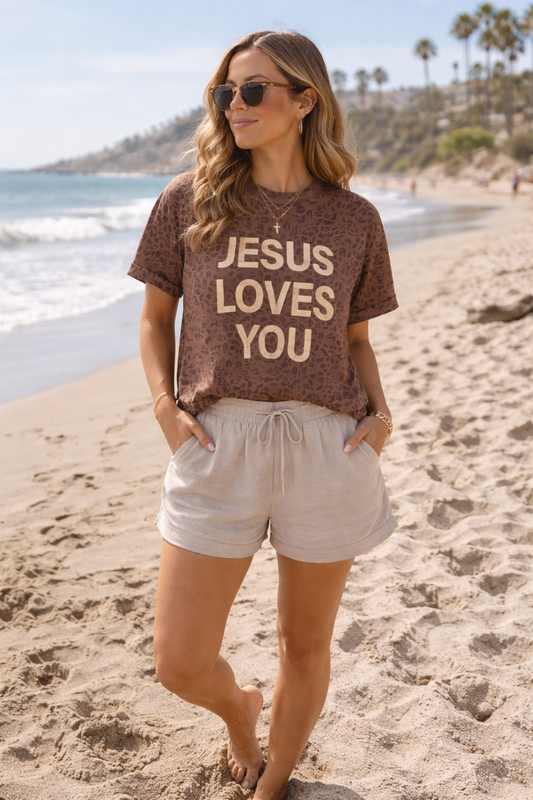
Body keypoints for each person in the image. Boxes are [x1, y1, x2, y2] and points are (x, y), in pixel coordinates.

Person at [128, 30, 398, 800]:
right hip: (219, 440)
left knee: (304, 646)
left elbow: (355, 340)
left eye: (252, 90)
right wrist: (165, 410)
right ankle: (240, 715)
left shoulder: (354, 219)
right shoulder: (187, 200)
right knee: (179, 662)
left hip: (325, 445)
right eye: (225, 93)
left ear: (304, 100)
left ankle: (274, 781)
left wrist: (380, 416)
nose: (234, 106)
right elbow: (154, 321)